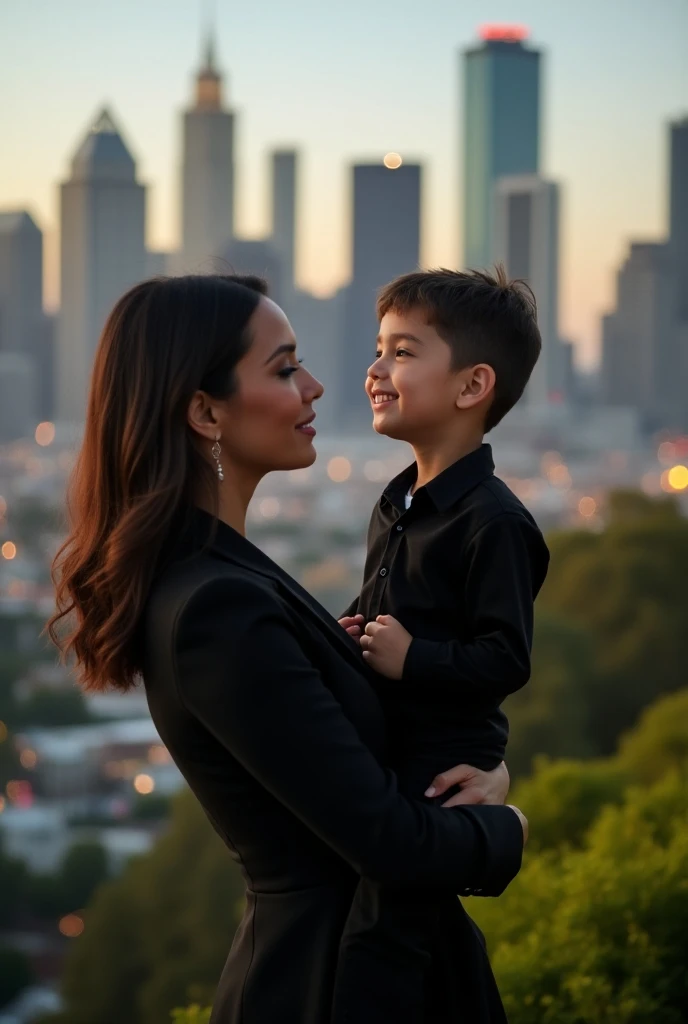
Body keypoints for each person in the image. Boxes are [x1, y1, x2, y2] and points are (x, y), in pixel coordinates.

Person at [48, 273, 527, 1024]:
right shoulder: (217, 607)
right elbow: (387, 843)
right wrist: (505, 824)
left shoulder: (230, 577)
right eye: (283, 368)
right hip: (332, 985)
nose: (316, 386)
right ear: (205, 411)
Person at [334, 267, 550, 1024]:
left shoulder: (495, 524)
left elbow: (506, 659)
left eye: (402, 351)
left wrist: (411, 659)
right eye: (378, 350)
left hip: (441, 764)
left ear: (471, 386)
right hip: (394, 748)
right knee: (417, 938)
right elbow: (381, 606)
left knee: (383, 936)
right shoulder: (397, 500)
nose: (375, 370)